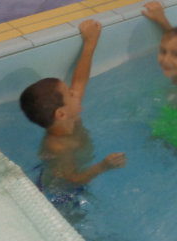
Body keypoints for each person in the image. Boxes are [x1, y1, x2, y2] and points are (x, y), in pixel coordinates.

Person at [19, 19, 127, 194]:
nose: (75, 92)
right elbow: (70, 180)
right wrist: (103, 166)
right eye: (70, 94)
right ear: (61, 114)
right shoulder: (58, 147)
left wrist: (90, 44)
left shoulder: (69, 117)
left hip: (71, 170)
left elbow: (79, 81)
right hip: (61, 189)